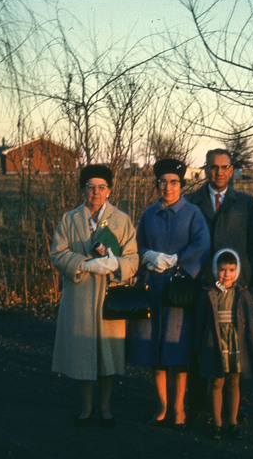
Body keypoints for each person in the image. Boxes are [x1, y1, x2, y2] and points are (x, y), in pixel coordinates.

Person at [50, 164, 140, 428]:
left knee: (108, 354)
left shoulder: (121, 220)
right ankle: (86, 408)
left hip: (110, 296)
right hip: (79, 295)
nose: (96, 192)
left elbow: (133, 258)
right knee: (83, 353)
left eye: (102, 187)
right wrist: (83, 264)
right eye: (90, 187)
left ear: (109, 190)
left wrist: (117, 266)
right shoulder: (69, 219)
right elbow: (57, 253)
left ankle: (106, 407)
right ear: (83, 190)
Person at [126, 158, 210, 430]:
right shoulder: (149, 214)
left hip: (179, 290)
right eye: (163, 182)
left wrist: (178, 261)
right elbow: (136, 245)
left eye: (174, 182)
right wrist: (146, 255)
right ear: (157, 184)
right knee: (155, 348)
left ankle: (178, 408)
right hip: (153, 288)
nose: (168, 187)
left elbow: (202, 245)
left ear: (181, 185)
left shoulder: (193, 214)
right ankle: (161, 406)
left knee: (177, 347)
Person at [184, 149, 253, 420]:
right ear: (206, 169)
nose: (219, 172)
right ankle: (197, 405)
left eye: (224, 167)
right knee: (201, 344)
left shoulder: (245, 203)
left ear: (232, 170)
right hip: (202, 289)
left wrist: (248, 280)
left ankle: (232, 409)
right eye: (213, 167)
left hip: (234, 290)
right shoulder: (191, 202)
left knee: (233, 349)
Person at [193, 248, 253, 440]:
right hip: (214, 342)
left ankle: (232, 422)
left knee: (233, 381)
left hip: (235, 342)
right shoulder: (208, 293)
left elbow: (248, 323)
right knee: (216, 381)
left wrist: (250, 346)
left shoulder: (242, 293)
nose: (227, 275)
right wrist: (198, 346)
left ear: (237, 270)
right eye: (223, 270)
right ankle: (216, 423)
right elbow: (200, 322)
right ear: (216, 270)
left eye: (231, 270)